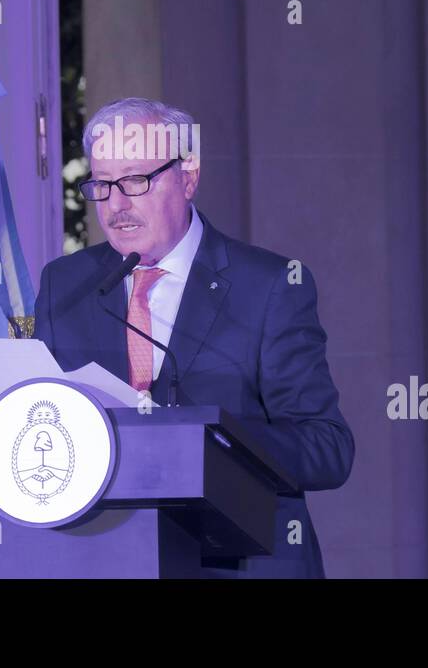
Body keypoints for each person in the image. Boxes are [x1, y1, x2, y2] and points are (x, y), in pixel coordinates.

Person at [33, 97, 354, 578]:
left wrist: (212, 441)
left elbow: (326, 448)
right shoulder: (65, 285)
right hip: (104, 560)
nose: (117, 205)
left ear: (188, 176)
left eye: (137, 180)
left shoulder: (268, 286)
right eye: (102, 185)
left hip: (241, 563)